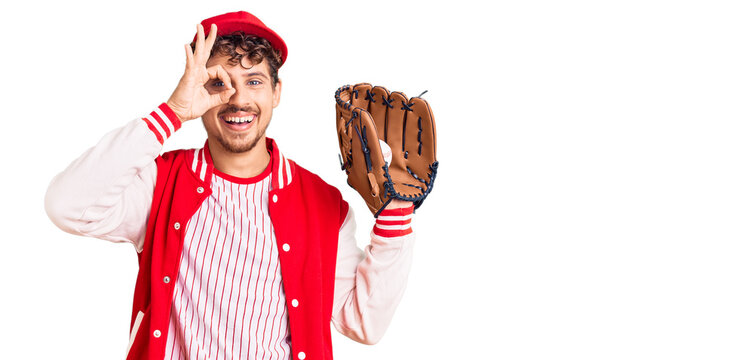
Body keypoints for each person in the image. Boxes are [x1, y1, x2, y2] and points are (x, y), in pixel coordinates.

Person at [44, 10, 416, 360]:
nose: (238, 99)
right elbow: (67, 205)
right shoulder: (160, 183)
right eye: (218, 82)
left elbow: (364, 323)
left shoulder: (322, 203)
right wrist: (172, 112)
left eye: (254, 81)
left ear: (276, 92)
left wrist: (396, 216)